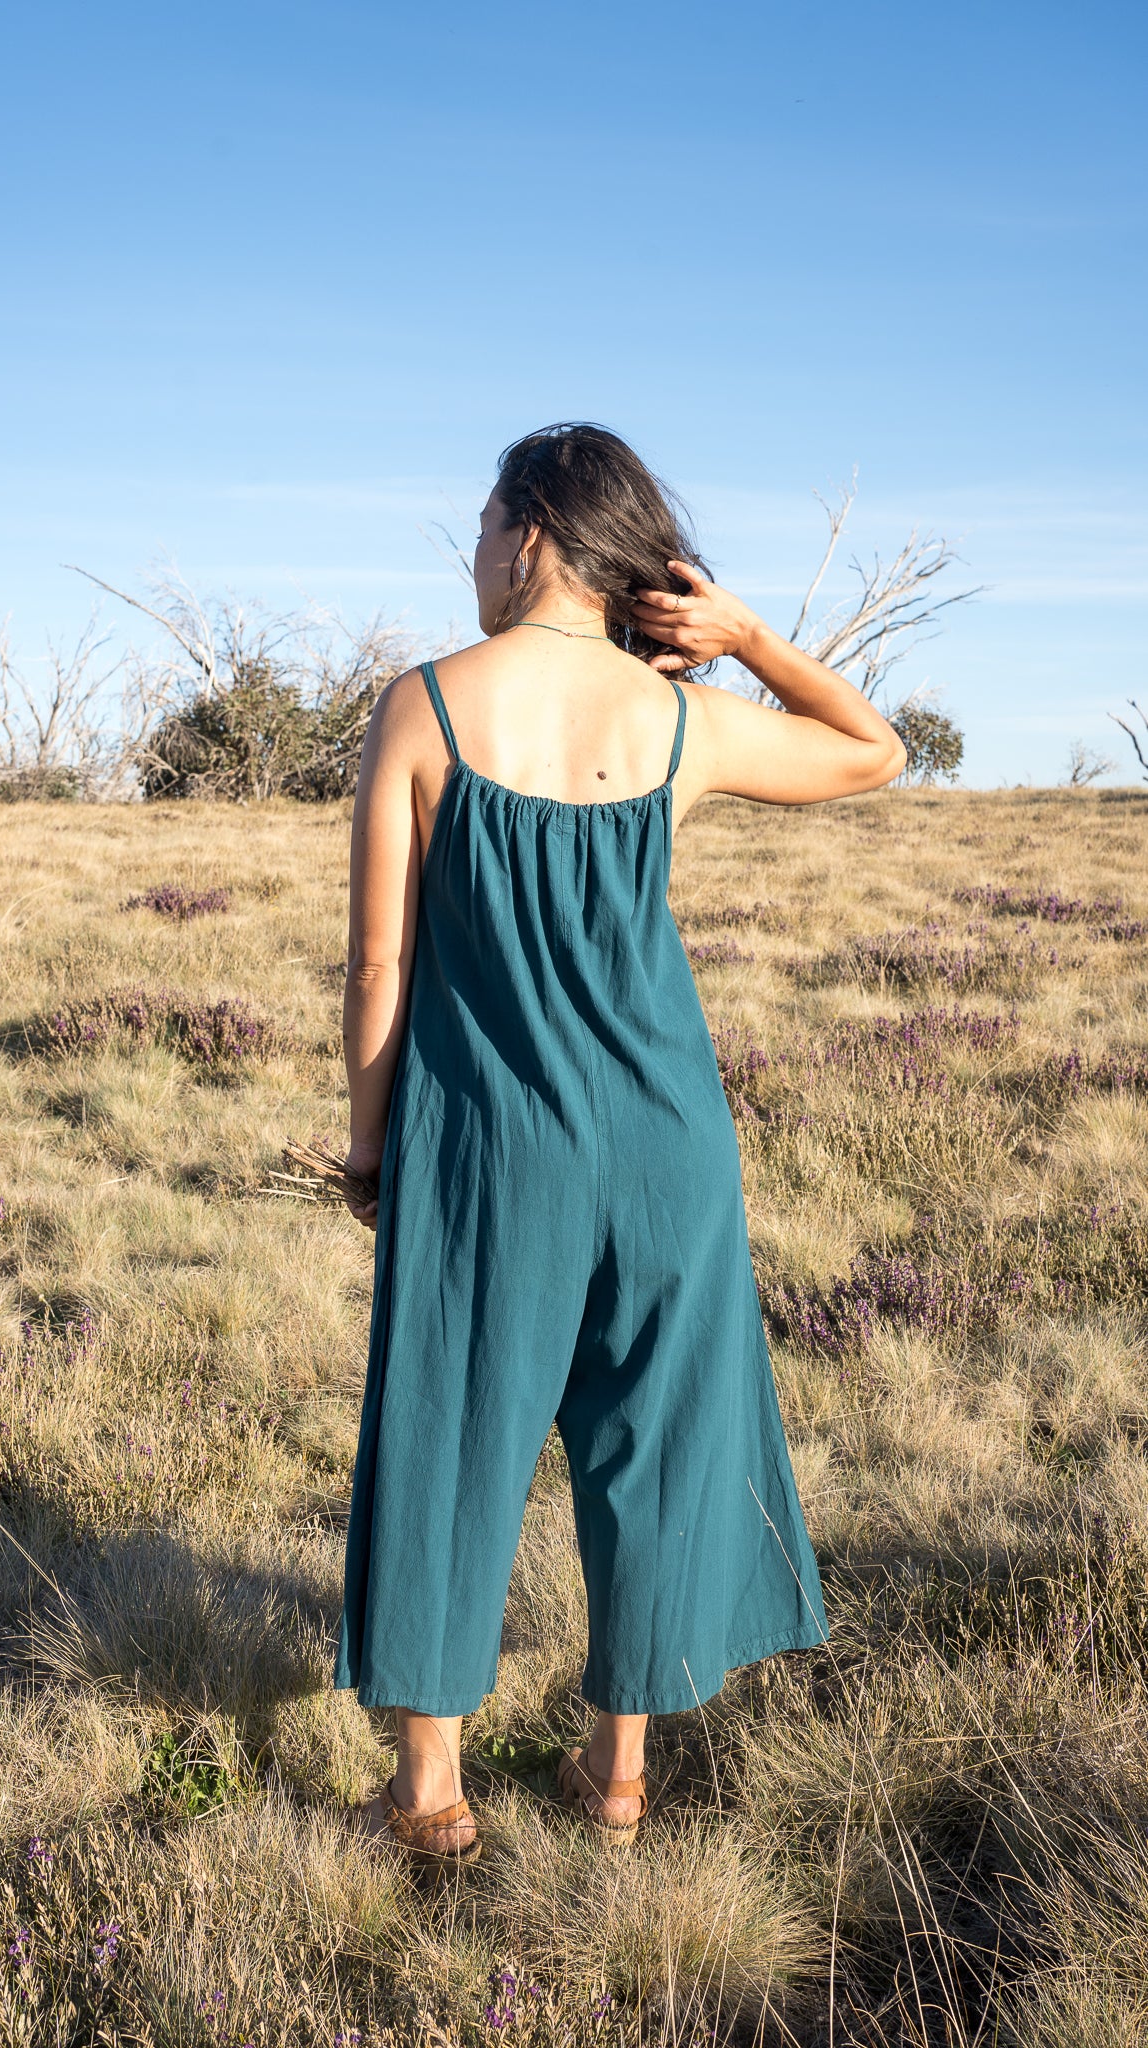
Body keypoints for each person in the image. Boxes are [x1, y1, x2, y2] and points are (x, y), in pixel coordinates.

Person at [334, 423, 907, 1866]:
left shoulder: (424, 707)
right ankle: (616, 1779)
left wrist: (368, 1149)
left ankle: (433, 1794)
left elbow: (375, 972)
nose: (469, 552)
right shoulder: (679, 724)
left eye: (477, 522)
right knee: (651, 1440)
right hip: (665, 1144)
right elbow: (873, 751)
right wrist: (752, 638)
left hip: (483, 1145)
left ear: (529, 532)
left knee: (447, 1437)